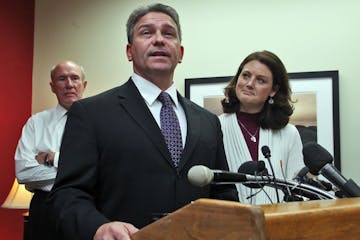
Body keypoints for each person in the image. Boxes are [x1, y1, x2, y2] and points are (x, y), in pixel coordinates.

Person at [48, 3, 238, 240]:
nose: (159, 39)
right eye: (146, 32)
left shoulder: (208, 121)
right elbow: (68, 194)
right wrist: (98, 227)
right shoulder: (90, 113)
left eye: (168, 33)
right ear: (129, 51)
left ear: (180, 52)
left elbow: (224, 193)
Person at [15, 60, 87, 239]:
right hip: (44, 208)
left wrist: (53, 158)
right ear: (52, 86)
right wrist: (81, 169)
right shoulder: (36, 123)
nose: (69, 84)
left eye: (74, 78)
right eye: (62, 79)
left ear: (83, 84)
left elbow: (105, 168)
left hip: (88, 206)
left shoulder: (102, 122)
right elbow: (23, 173)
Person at [219, 50, 303, 205]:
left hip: (278, 223)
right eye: (245, 75)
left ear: (273, 90)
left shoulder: (289, 133)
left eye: (261, 80)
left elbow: (298, 190)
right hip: (227, 223)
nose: (249, 84)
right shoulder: (216, 127)